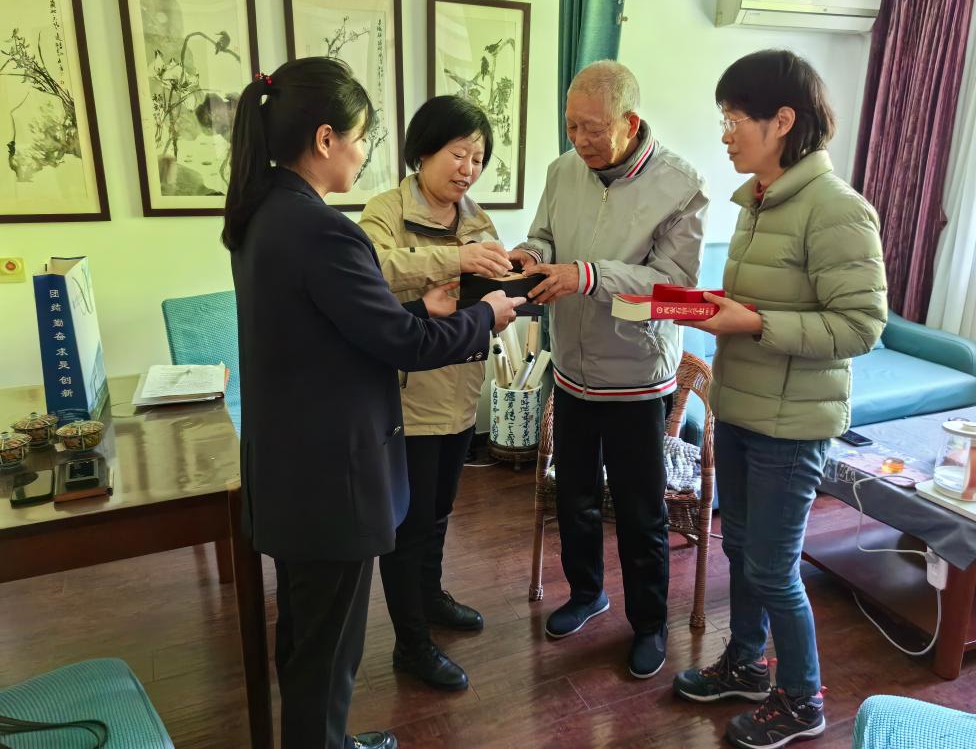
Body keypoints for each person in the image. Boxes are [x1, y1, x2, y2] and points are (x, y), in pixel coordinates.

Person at [222, 57, 523, 749]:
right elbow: (403, 344)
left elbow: (339, 329)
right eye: (360, 138)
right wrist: (485, 317)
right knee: (329, 652)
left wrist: (427, 309)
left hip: (292, 467)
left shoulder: (263, 212)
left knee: (310, 640)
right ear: (325, 139)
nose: (363, 154)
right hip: (333, 477)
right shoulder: (323, 228)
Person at [672, 50, 887, 749]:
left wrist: (754, 322)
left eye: (735, 118)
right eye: (724, 118)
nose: (726, 133)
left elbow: (861, 326)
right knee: (739, 550)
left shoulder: (838, 210)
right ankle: (745, 664)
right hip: (741, 405)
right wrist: (713, 308)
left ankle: (802, 699)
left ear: (783, 121)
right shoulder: (760, 202)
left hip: (792, 425)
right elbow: (763, 301)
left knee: (772, 567)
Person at [508, 60, 708, 679]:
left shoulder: (681, 186)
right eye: (571, 125)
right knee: (574, 497)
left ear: (630, 122)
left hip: (637, 378)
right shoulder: (562, 170)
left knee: (640, 511)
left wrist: (588, 276)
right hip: (572, 368)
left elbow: (678, 291)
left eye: (592, 128)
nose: (579, 140)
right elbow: (545, 235)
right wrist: (531, 255)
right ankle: (587, 592)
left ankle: (650, 624)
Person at [359, 95, 511, 691]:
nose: (468, 169)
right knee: (408, 524)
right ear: (423, 150)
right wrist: (455, 258)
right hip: (409, 398)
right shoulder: (386, 210)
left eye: (478, 158)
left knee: (440, 510)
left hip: (461, 388)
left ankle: (431, 597)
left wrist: (515, 275)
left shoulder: (477, 218)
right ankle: (411, 643)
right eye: (458, 154)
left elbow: (487, 287)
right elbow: (370, 270)